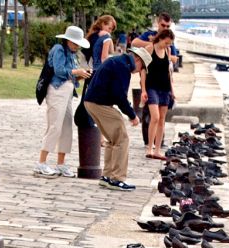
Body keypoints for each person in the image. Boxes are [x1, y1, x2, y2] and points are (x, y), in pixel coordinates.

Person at [84, 47, 151, 191]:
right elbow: (119, 95)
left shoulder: (117, 61)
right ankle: (117, 178)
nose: (139, 71)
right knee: (122, 139)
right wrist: (132, 115)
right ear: (137, 59)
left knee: (113, 139)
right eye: (142, 68)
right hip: (99, 103)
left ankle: (107, 176)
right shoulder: (123, 67)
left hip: (92, 101)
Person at [34, 25, 91, 179]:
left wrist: (81, 75)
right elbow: (59, 70)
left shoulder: (73, 54)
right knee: (54, 126)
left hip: (67, 91)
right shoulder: (59, 49)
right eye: (75, 42)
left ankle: (61, 163)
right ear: (68, 40)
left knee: (66, 127)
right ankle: (41, 162)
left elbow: (69, 75)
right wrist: (76, 72)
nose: (77, 45)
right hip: (56, 90)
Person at [143, 30, 175, 160]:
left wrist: (173, 90)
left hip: (165, 88)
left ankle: (157, 149)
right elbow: (143, 71)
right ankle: (149, 148)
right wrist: (143, 89)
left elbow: (169, 72)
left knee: (162, 119)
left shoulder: (167, 51)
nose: (167, 45)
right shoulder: (150, 49)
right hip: (152, 87)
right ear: (161, 38)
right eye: (166, 42)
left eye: (169, 44)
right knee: (154, 117)